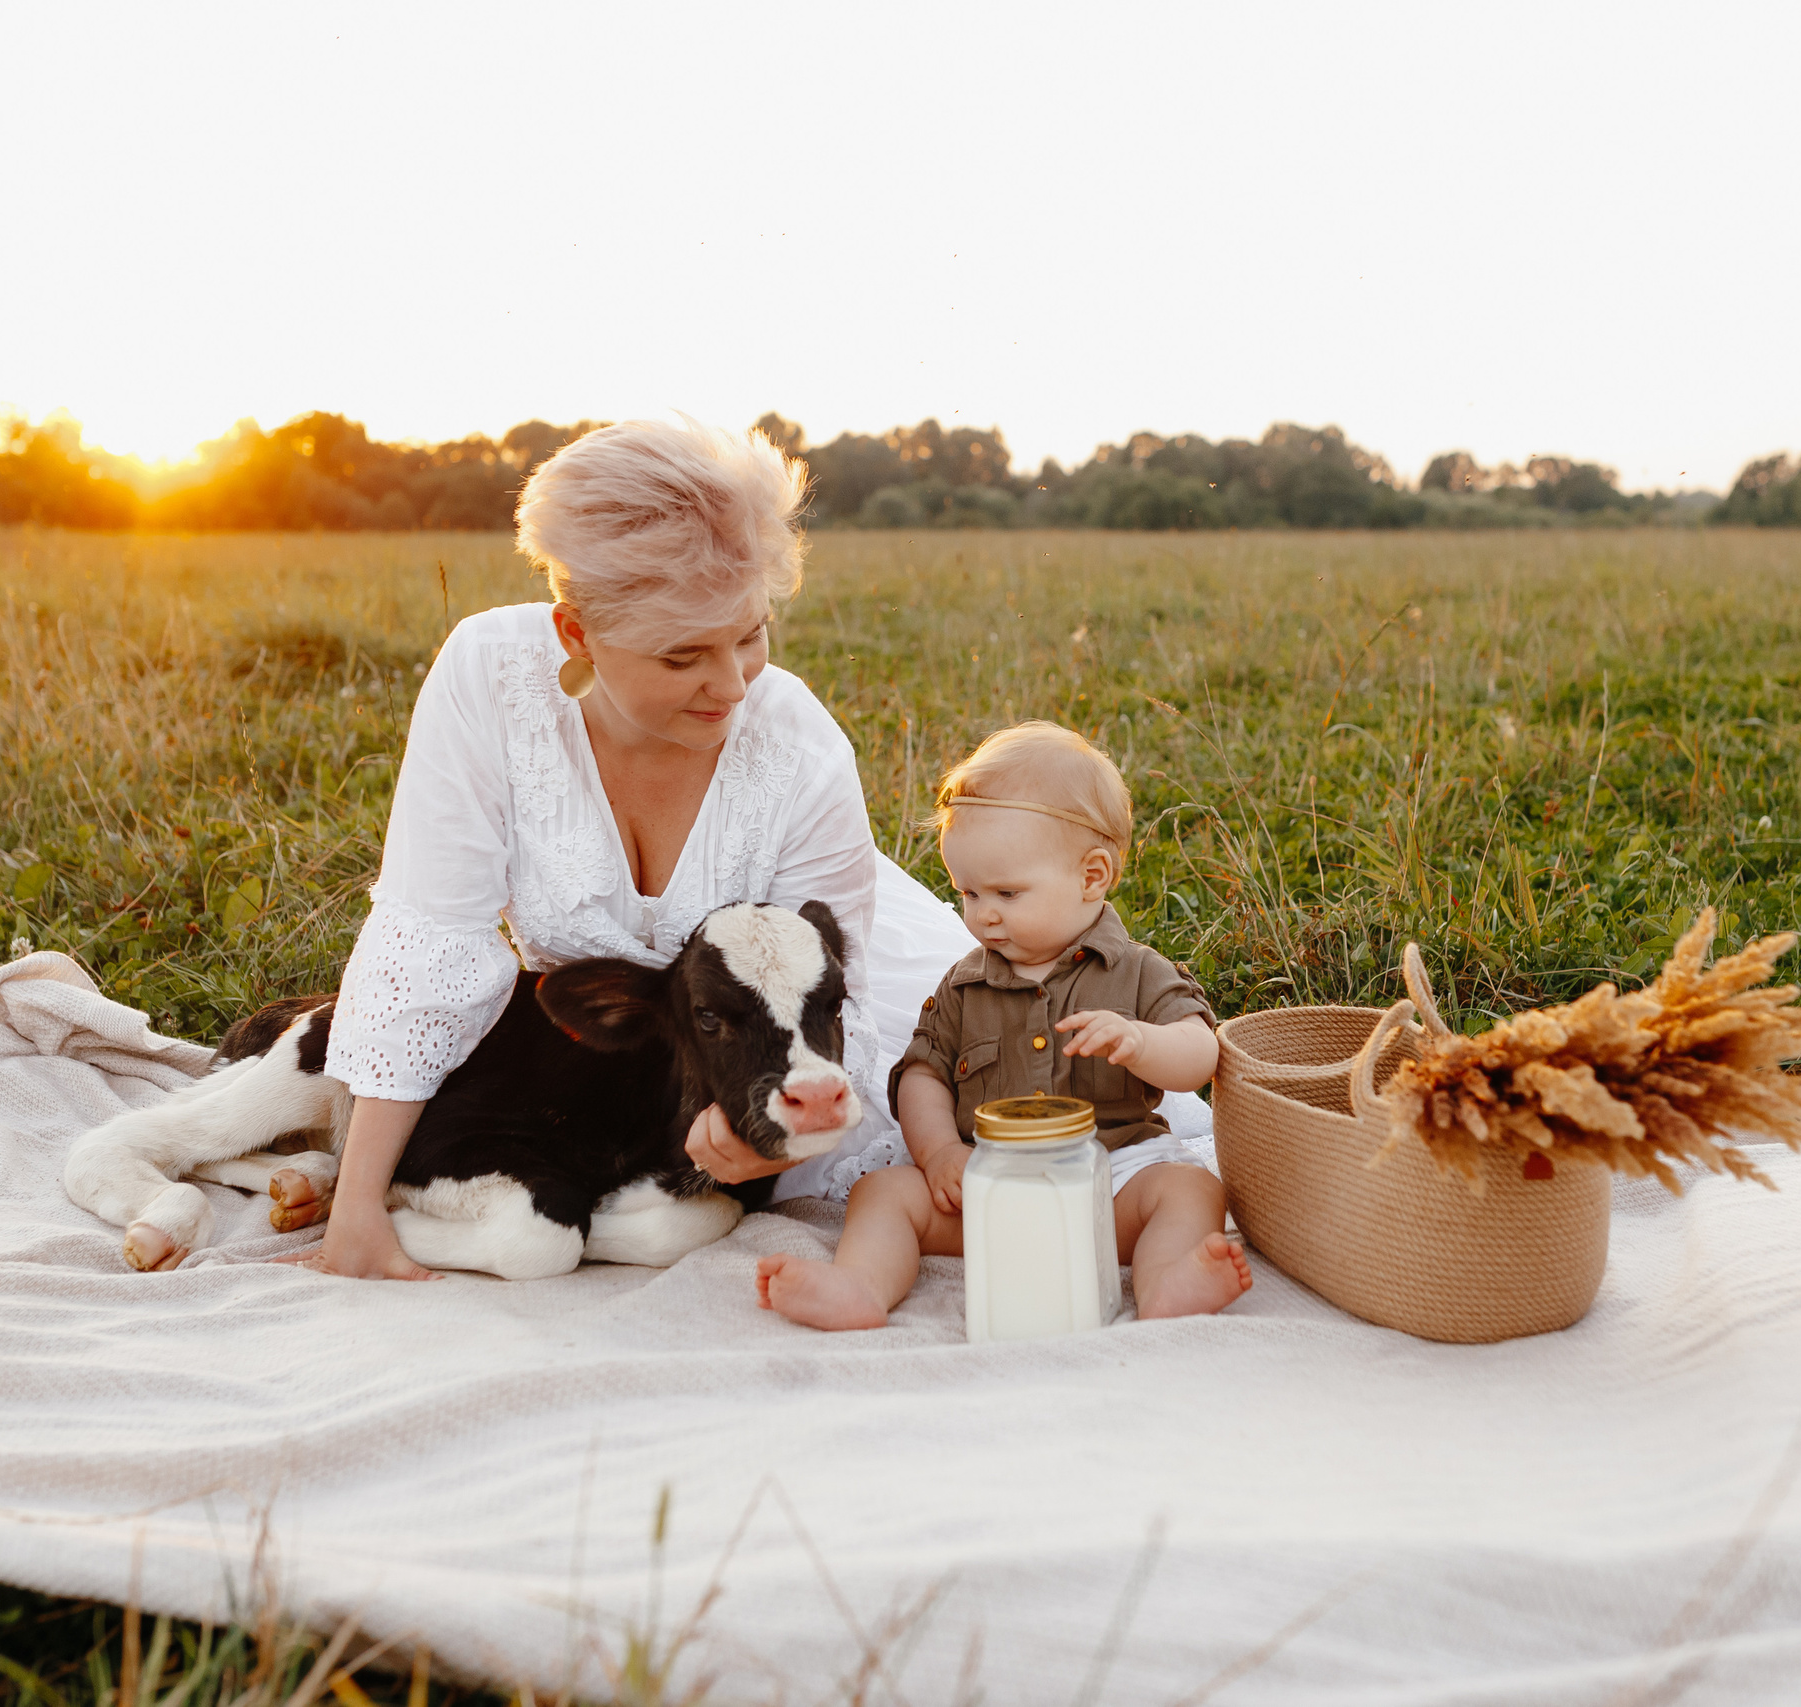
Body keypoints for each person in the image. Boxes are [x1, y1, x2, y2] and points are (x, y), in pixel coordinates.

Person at [280, 419, 952, 1279]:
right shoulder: (490, 679)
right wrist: (359, 1202)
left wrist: (766, 1148)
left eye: (750, 633)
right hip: (613, 1058)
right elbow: (432, 939)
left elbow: (822, 1004)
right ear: (576, 635)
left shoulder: (800, 750)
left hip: (830, 1011)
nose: (734, 683)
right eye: (683, 656)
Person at [755, 722, 1254, 1329]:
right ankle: (859, 1285)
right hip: (988, 1188)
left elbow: (1201, 1053)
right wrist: (939, 1153)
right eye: (967, 892)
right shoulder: (965, 985)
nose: (983, 915)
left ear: (1092, 876)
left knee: (1190, 1191)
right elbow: (922, 1074)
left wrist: (1142, 1041)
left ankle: (1168, 1283)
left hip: (1111, 1182)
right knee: (883, 1193)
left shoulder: (1138, 972)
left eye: (1007, 893)